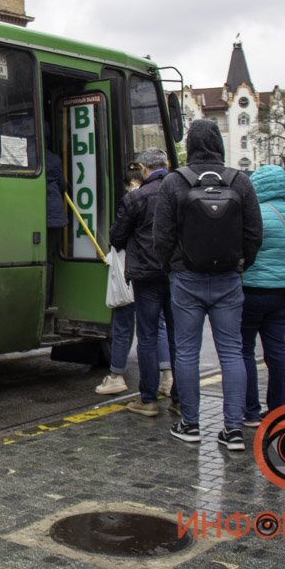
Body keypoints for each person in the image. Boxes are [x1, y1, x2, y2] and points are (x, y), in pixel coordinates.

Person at [153, 119, 262, 451]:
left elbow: (161, 236)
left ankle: (190, 423)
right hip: (229, 277)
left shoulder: (174, 182)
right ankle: (232, 430)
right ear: (218, 143)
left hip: (186, 277)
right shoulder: (239, 181)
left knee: (186, 352)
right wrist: (241, 264)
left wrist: (171, 266)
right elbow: (254, 234)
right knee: (232, 352)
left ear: (190, 143)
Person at [105, 150, 177, 411]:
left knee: (146, 335)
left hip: (146, 274)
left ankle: (148, 399)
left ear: (145, 169)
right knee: (174, 333)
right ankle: (178, 398)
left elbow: (116, 236)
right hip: (175, 273)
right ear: (166, 167)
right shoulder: (181, 191)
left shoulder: (136, 198)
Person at [240, 164, 285, 427]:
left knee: (244, 349)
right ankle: (279, 410)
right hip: (281, 292)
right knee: (276, 350)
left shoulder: (251, 216)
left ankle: (250, 411)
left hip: (250, 291)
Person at [44, 137, 66, 307]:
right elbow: (62, 185)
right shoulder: (54, 159)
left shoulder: (24, 155)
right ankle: (46, 298)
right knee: (48, 257)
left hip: (42, 213)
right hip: (54, 215)